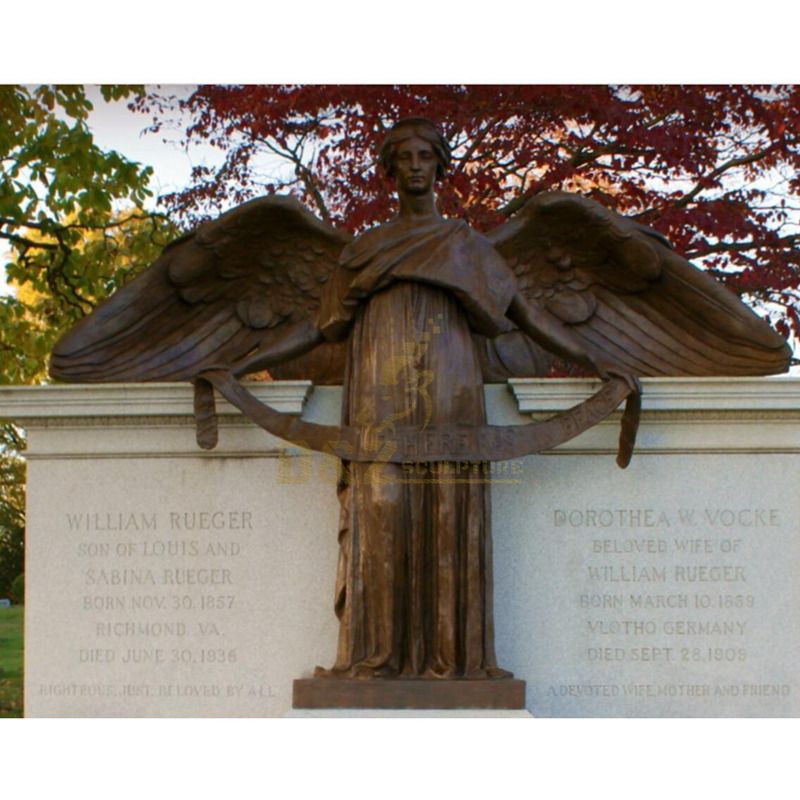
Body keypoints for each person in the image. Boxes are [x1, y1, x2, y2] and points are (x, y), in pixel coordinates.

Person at [233, 118, 606, 679]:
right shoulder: (364, 251)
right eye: (403, 157)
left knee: (449, 512)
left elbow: (528, 316)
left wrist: (602, 363)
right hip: (380, 394)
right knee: (381, 511)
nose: (414, 165)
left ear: (439, 165)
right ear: (389, 170)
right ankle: (374, 658)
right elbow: (318, 327)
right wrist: (240, 366)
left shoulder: (465, 245)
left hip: (451, 385)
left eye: (424, 155)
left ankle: (452, 661)